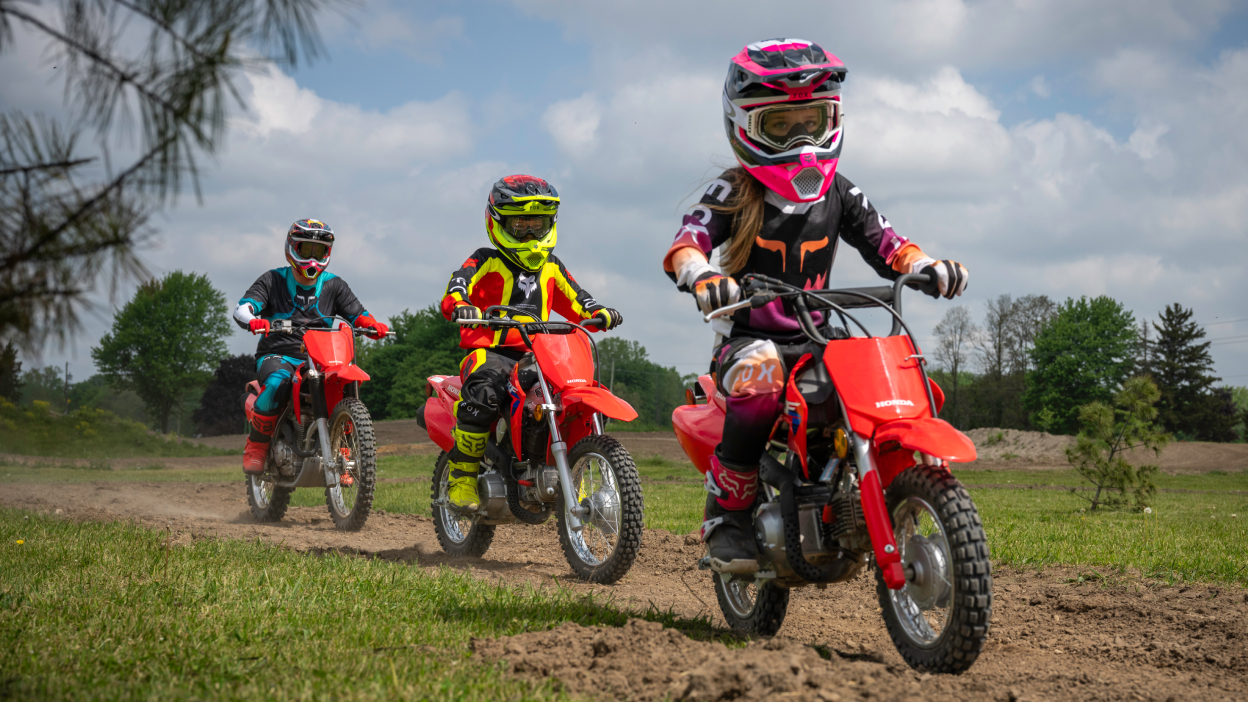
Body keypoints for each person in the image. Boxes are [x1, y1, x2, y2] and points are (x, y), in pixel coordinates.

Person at [663, 39, 970, 573]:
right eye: (781, 126)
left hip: (820, 341)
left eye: (813, 120)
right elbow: (687, 242)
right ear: (745, 126)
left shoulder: (841, 192)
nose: (801, 137)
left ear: (835, 117)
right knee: (759, 378)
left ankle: (868, 491)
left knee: (896, 378)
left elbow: (889, 245)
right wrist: (702, 274)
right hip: (748, 342)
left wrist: (925, 266)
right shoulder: (732, 191)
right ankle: (727, 516)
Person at [439, 175, 623, 511]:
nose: (529, 234)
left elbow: (579, 300)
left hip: (540, 356)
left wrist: (599, 311)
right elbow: (457, 285)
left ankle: (565, 471)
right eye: (520, 224)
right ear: (498, 222)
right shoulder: (485, 259)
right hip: (490, 352)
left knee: (576, 396)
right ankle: (462, 478)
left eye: (536, 225)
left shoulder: (552, 267)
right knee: (485, 392)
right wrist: (461, 303)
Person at [233, 219, 389, 475]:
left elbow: (357, 314)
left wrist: (371, 325)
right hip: (278, 354)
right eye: (307, 250)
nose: (313, 259)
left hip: (322, 357)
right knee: (277, 383)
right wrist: (253, 321)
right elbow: (243, 308)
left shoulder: (334, 285)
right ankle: (257, 445)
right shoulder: (272, 280)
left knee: (345, 384)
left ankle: (343, 448)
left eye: (320, 252)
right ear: (292, 248)